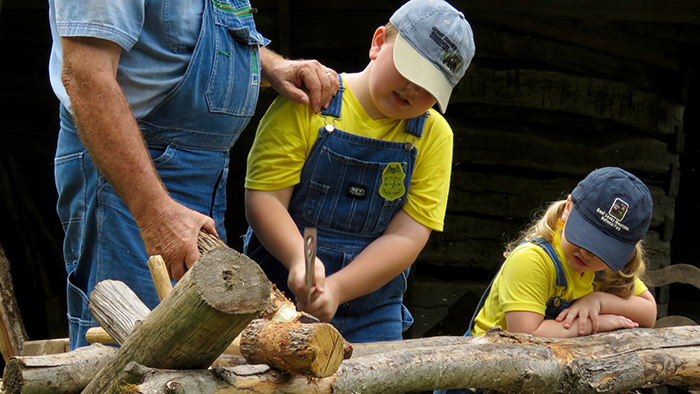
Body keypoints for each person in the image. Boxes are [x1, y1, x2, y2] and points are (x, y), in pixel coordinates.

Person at [48, 0, 340, 349]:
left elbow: (197, 40)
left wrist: (273, 67)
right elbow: (85, 75)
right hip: (130, 183)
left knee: (192, 356)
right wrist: (155, 214)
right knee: (136, 360)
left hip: (203, 176)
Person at [243, 0, 476, 343]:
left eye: (429, 86)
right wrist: (301, 259)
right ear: (378, 43)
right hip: (277, 290)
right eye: (409, 70)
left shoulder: (434, 136)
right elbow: (265, 199)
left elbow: (406, 235)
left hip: (373, 310)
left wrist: (337, 288)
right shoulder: (310, 104)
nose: (413, 89)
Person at [434, 166, 657, 394]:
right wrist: (593, 324)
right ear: (567, 209)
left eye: (603, 248)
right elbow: (525, 337)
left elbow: (648, 312)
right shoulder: (533, 259)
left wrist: (598, 301)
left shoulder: (607, 269)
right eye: (586, 237)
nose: (588, 253)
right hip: (481, 380)